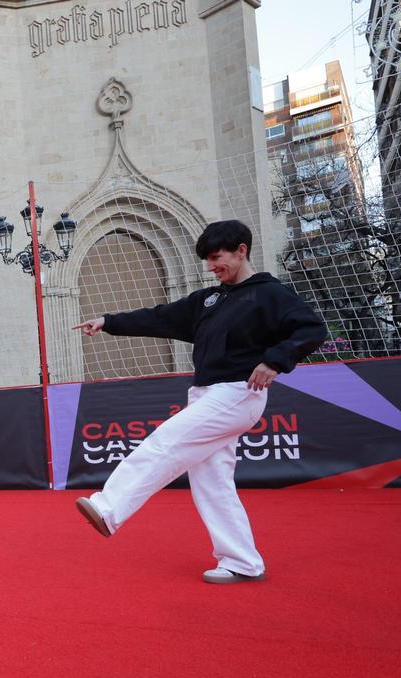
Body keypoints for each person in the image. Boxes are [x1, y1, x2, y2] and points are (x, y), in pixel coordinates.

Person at [71, 219, 326, 584]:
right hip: (206, 392)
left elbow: (311, 328)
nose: (211, 266)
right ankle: (241, 561)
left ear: (242, 250)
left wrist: (275, 361)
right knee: (212, 482)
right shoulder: (209, 300)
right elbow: (160, 316)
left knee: (166, 442)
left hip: (238, 392)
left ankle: (108, 508)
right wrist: (108, 321)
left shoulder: (270, 294)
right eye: (207, 259)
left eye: (217, 257)